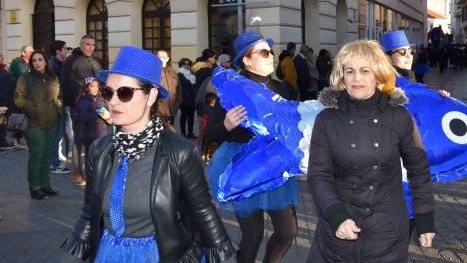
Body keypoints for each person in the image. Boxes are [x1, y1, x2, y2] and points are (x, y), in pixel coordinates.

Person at [60, 46, 237, 263]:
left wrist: (213, 254)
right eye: (108, 92)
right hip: (109, 254)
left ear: (151, 95)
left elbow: (203, 213)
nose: (112, 101)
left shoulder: (179, 151)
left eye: (124, 92)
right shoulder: (101, 149)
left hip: (160, 255)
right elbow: (90, 212)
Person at [307, 40, 434, 262]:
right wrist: (337, 216)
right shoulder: (326, 119)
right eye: (350, 71)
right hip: (338, 228)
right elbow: (319, 174)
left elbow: (419, 168)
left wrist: (424, 218)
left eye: (365, 71)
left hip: (387, 229)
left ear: (378, 75)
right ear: (341, 76)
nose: (357, 78)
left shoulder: (399, 116)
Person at [206, 30, 297, 263]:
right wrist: (226, 124)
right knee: (253, 234)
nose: (271, 56)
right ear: (246, 60)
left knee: (288, 231)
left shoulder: (283, 88)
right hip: (243, 165)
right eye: (263, 52)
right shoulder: (232, 89)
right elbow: (210, 133)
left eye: (271, 51)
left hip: (276, 164)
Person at [14, 50, 63, 199]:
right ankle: (34, 186)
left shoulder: (53, 77)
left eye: (40, 60)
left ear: (45, 61)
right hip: (34, 124)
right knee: (36, 155)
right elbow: (18, 97)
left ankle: (45, 184)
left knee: (46, 155)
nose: (37, 63)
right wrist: (32, 110)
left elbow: (59, 96)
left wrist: (58, 108)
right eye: (34, 60)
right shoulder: (25, 78)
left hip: (52, 122)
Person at [61, 35, 103, 186]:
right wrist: (79, 99)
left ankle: (94, 170)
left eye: (93, 44)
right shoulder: (71, 60)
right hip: (78, 106)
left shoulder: (97, 61)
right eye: (87, 44)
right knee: (79, 138)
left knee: (96, 136)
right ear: (81, 44)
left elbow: (101, 82)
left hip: (96, 105)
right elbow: (65, 83)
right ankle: (78, 171)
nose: (90, 47)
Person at [380, 30, 450, 97]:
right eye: (402, 51)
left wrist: (437, 97)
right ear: (387, 57)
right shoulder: (384, 86)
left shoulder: (407, 77)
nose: (409, 55)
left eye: (411, 50)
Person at [49, 39, 71, 174]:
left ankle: (54, 161)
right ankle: (54, 163)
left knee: (59, 135)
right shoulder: (54, 67)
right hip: (57, 107)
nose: (67, 51)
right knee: (56, 136)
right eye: (65, 49)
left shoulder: (60, 65)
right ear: (58, 51)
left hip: (61, 105)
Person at [76, 77, 111, 158]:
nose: (95, 88)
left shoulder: (101, 99)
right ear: (87, 88)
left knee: (102, 159)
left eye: (97, 86)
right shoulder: (83, 102)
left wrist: (108, 120)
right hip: (90, 136)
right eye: (92, 86)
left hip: (102, 135)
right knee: (91, 159)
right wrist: (96, 112)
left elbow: (107, 114)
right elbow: (83, 118)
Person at [8, 44, 34, 147]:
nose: (33, 53)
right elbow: (11, 76)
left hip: (32, 94)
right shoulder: (16, 63)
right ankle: (15, 137)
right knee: (18, 115)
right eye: (30, 52)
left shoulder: (34, 62)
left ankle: (29, 137)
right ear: (24, 53)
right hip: (19, 93)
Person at [154, 50, 182, 126]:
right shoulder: (152, 71)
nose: (161, 59)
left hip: (171, 110)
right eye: (158, 57)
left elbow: (178, 88)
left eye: (163, 57)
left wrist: (178, 102)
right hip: (157, 111)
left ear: (167, 59)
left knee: (169, 135)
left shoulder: (173, 72)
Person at [177, 57, 197, 138]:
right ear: (181, 65)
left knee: (191, 117)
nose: (187, 65)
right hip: (184, 99)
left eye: (188, 64)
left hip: (192, 98)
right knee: (184, 116)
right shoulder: (180, 75)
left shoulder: (193, 74)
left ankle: (190, 132)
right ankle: (183, 132)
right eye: (184, 64)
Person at [0, 51, 16, 149]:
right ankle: (2, 142)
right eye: (0, 56)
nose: (2, 57)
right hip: (2, 102)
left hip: (6, 100)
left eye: (2, 55)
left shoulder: (3, 68)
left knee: (3, 123)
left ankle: (2, 141)